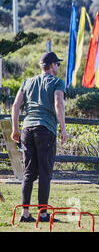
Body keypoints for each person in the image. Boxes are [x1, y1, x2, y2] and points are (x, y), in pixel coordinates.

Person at [10, 52, 68, 222]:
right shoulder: (57, 82)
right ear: (51, 65)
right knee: (44, 173)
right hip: (45, 129)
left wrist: (15, 129)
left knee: (28, 173)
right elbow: (58, 103)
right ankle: (43, 213)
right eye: (57, 64)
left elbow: (15, 106)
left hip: (27, 129)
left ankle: (25, 213)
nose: (58, 67)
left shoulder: (27, 82)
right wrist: (63, 129)